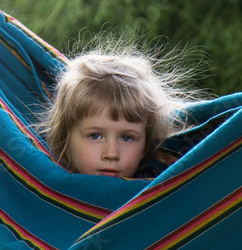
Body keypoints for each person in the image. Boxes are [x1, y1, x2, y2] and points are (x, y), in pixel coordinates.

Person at [39, 45, 198, 178]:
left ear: (145, 145)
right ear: (65, 140)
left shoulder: (158, 198)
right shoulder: (45, 190)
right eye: (95, 136)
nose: (112, 153)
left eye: (127, 137)